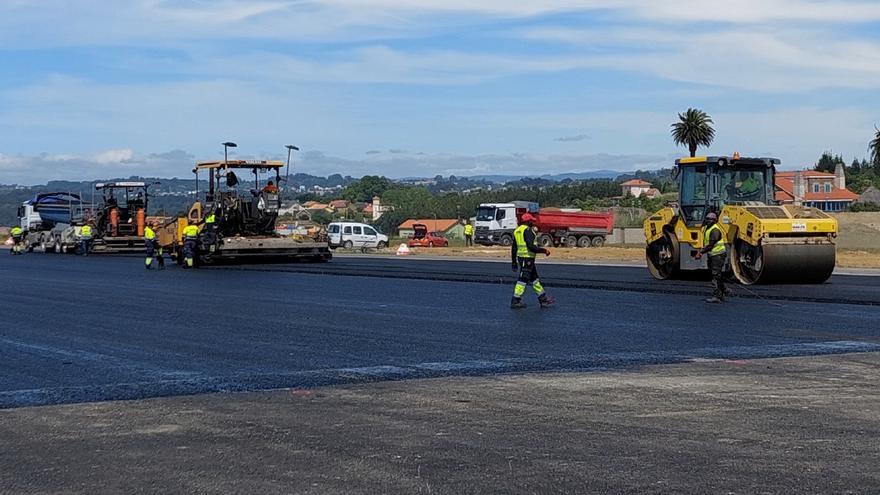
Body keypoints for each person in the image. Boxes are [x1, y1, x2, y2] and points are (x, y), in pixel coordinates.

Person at [510, 213, 554, 309]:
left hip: (522, 258)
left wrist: (514, 261)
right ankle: (515, 300)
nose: (532, 222)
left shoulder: (517, 231)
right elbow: (531, 247)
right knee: (523, 279)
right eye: (531, 221)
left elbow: (514, 248)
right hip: (528, 259)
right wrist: (544, 250)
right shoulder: (528, 231)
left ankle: (543, 299)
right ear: (527, 221)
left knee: (534, 279)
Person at [694, 211, 727, 303]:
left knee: (715, 275)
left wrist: (700, 252)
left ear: (715, 220)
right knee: (716, 274)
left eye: (711, 219)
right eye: (707, 219)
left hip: (718, 255)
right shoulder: (707, 228)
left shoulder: (715, 230)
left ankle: (717, 296)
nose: (709, 220)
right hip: (713, 255)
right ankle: (724, 291)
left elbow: (710, 245)